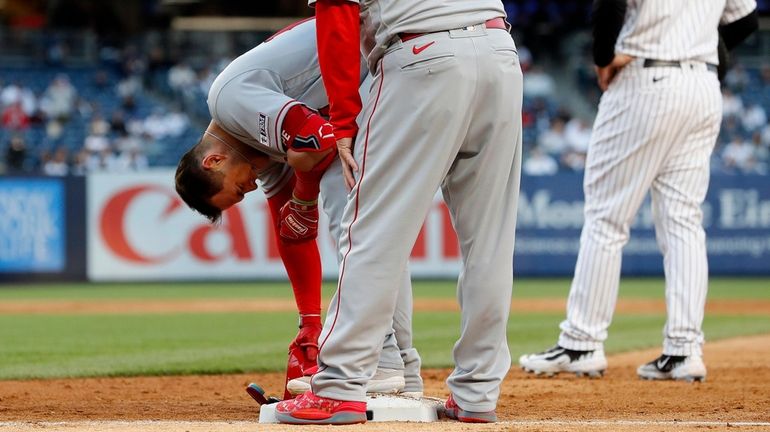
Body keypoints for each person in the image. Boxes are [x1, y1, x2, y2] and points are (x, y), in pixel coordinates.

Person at [274, 0, 523, 425]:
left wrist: (344, 121)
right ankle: (478, 394)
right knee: (490, 242)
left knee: (372, 230)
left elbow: (336, 17)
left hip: (422, 59)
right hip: (501, 54)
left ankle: (338, 387)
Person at [174, 17, 422, 400]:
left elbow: (314, 139)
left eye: (238, 190)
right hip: (382, 66)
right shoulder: (258, 152)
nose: (250, 188)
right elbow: (292, 234)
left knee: (346, 199)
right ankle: (400, 367)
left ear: (214, 162)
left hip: (387, 40)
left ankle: (379, 359)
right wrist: (309, 323)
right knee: (370, 227)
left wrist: (304, 195)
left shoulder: (227, 101)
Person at [519, 0, 758, 382]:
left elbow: (609, 3)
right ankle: (684, 349)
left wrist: (604, 58)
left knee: (606, 217)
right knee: (683, 220)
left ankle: (582, 341)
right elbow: (745, 20)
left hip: (646, 78)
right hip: (703, 85)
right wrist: (702, 48)